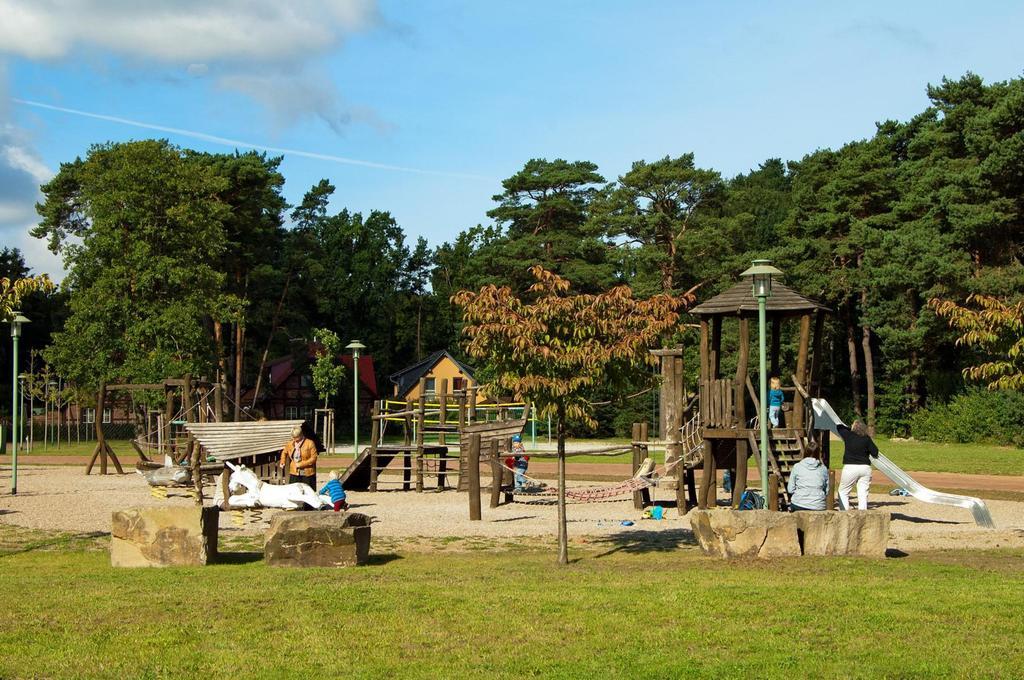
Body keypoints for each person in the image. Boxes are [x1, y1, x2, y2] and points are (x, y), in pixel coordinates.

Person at [836, 419, 879, 511]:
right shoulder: (866, 438)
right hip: (865, 468)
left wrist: (849, 428)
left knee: (843, 491)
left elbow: (839, 426)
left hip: (850, 467)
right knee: (863, 493)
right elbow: (875, 453)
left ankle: (844, 512)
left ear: (853, 427)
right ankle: (862, 513)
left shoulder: (848, 435)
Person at [279, 425, 318, 506]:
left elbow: (314, 458)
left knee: (308, 491)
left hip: (307, 472)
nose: (294, 439)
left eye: (296, 437)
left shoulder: (310, 443)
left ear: (301, 435)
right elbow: (284, 452)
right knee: (293, 490)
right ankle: (295, 507)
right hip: (294, 471)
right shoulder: (290, 443)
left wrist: (301, 464)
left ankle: (309, 508)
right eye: (293, 437)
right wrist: (282, 461)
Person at [787, 440, 828, 511]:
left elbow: (790, 489)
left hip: (799, 503)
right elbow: (827, 490)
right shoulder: (823, 468)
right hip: (818, 505)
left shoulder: (797, 467)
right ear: (818, 454)